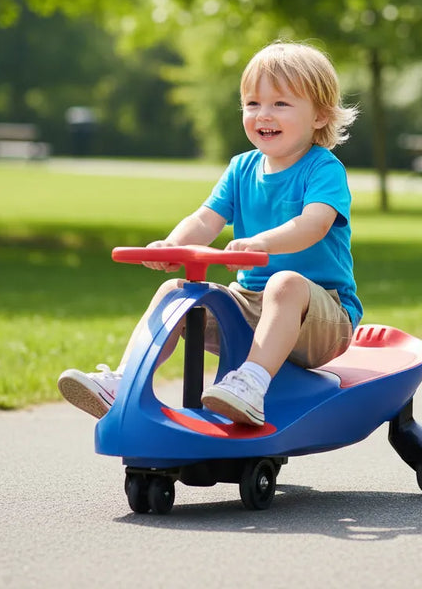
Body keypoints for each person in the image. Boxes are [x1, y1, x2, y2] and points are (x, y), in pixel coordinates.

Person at [57, 41, 363, 426]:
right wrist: (174, 244)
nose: (263, 114)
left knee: (285, 284)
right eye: (252, 104)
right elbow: (204, 219)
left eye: (281, 104)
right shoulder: (241, 168)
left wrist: (263, 242)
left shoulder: (323, 169)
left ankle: (251, 384)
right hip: (251, 306)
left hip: (322, 318)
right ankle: (123, 382)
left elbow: (313, 224)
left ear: (320, 115)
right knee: (177, 293)